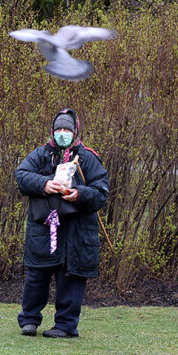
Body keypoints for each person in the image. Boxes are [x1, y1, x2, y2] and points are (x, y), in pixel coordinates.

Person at [15, 109, 109, 338]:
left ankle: (65, 326)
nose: (62, 133)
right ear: (52, 131)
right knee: (37, 276)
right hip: (43, 230)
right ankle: (29, 321)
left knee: (72, 278)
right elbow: (22, 175)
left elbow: (101, 192)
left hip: (78, 232)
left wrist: (79, 194)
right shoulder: (40, 154)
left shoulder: (88, 158)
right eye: (59, 129)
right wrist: (44, 184)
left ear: (75, 131)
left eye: (67, 129)